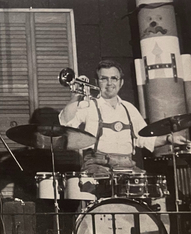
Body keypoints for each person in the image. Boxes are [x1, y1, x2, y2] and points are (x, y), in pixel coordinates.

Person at [59, 60, 188, 177]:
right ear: (97, 82)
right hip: (97, 166)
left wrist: (168, 139)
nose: (109, 83)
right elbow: (66, 122)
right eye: (104, 79)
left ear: (121, 82)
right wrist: (76, 96)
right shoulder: (88, 104)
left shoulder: (129, 108)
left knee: (154, 190)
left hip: (128, 165)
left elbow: (145, 139)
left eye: (114, 78)